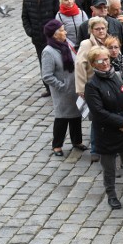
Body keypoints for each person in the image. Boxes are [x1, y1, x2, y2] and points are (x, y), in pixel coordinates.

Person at [84, 46, 123, 210]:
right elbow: (98, 112)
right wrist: (122, 122)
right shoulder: (92, 86)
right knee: (109, 168)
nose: (105, 63)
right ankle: (112, 195)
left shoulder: (119, 76)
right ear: (93, 63)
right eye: (100, 60)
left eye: (106, 59)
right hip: (107, 133)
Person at [40, 20, 85, 157]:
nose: (65, 32)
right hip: (63, 91)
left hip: (75, 88)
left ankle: (77, 141)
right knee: (62, 118)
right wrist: (62, 86)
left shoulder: (68, 44)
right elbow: (47, 76)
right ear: (54, 35)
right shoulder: (48, 51)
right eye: (61, 30)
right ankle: (57, 145)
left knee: (76, 116)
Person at [21, 0, 60, 98]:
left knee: (57, 61)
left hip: (53, 36)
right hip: (38, 37)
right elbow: (25, 17)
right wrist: (30, 31)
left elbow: (57, 14)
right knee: (43, 62)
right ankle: (48, 87)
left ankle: (58, 85)